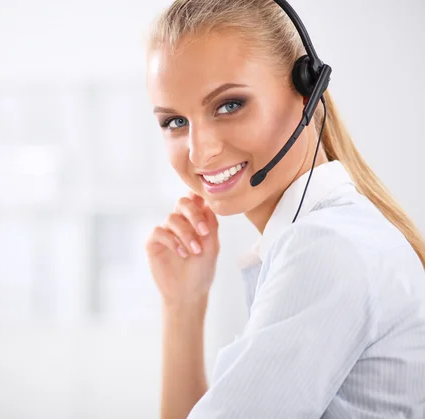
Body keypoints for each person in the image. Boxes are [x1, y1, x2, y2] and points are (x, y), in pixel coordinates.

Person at [143, 0, 425, 418]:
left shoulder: (324, 248)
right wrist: (182, 305)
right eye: (175, 122)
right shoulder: (329, 236)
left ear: (307, 91)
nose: (199, 151)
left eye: (229, 105)